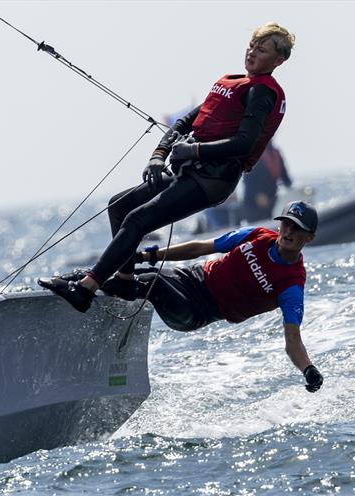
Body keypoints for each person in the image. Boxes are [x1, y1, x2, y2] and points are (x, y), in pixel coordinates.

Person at [39, 22, 296, 312]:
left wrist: (194, 150)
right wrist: (158, 155)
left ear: (278, 60)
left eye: (261, 50)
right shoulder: (233, 83)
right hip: (187, 170)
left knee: (138, 220)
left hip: (211, 180)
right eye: (251, 46)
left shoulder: (261, 93)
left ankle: (86, 288)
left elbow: (243, 144)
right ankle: (124, 280)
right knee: (119, 205)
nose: (252, 53)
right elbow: (186, 122)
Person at [125, 201, 323, 393]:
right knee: (134, 272)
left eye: (297, 228)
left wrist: (308, 369)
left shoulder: (291, 286)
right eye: (287, 224)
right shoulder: (256, 235)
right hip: (191, 278)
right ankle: (97, 291)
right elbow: (200, 248)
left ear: (309, 238)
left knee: (149, 281)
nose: (289, 231)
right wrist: (148, 256)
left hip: (196, 310)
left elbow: (293, 341)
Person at [242, 140, 292, 222]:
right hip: (254, 203)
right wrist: (257, 194)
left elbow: (285, 177)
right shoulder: (253, 152)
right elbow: (247, 179)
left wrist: (292, 190)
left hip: (272, 199)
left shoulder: (276, 152)